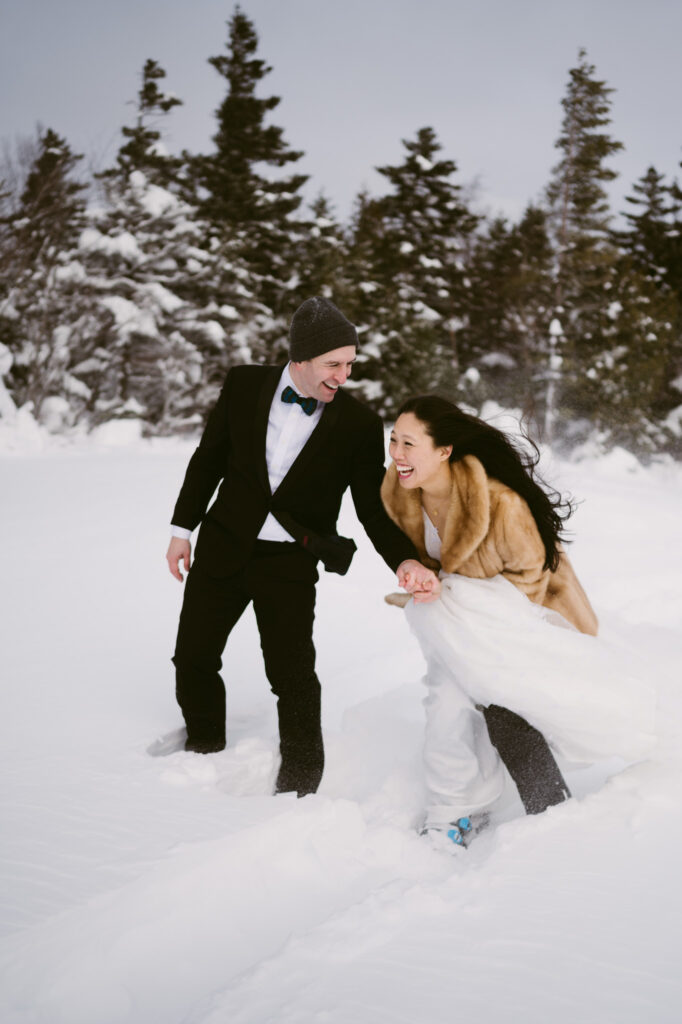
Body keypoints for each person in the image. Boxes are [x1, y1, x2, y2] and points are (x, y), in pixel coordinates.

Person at [165, 297, 441, 797]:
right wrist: (181, 530)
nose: (343, 375)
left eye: (350, 363)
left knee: (292, 674)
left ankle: (300, 781)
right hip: (224, 545)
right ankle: (204, 746)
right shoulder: (245, 385)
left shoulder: (357, 423)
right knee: (194, 655)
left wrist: (404, 558)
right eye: (333, 364)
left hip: (290, 562)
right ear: (299, 359)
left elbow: (371, 506)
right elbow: (209, 459)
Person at [382, 395, 656, 847]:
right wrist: (425, 577)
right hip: (451, 618)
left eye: (409, 443)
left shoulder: (501, 502)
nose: (396, 453)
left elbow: (534, 575)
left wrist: (459, 599)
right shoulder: (399, 492)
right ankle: (455, 811)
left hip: (531, 616)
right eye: (393, 440)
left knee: (507, 706)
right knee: (446, 703)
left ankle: (550, 812)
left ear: (444, 450)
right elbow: (418, 553)